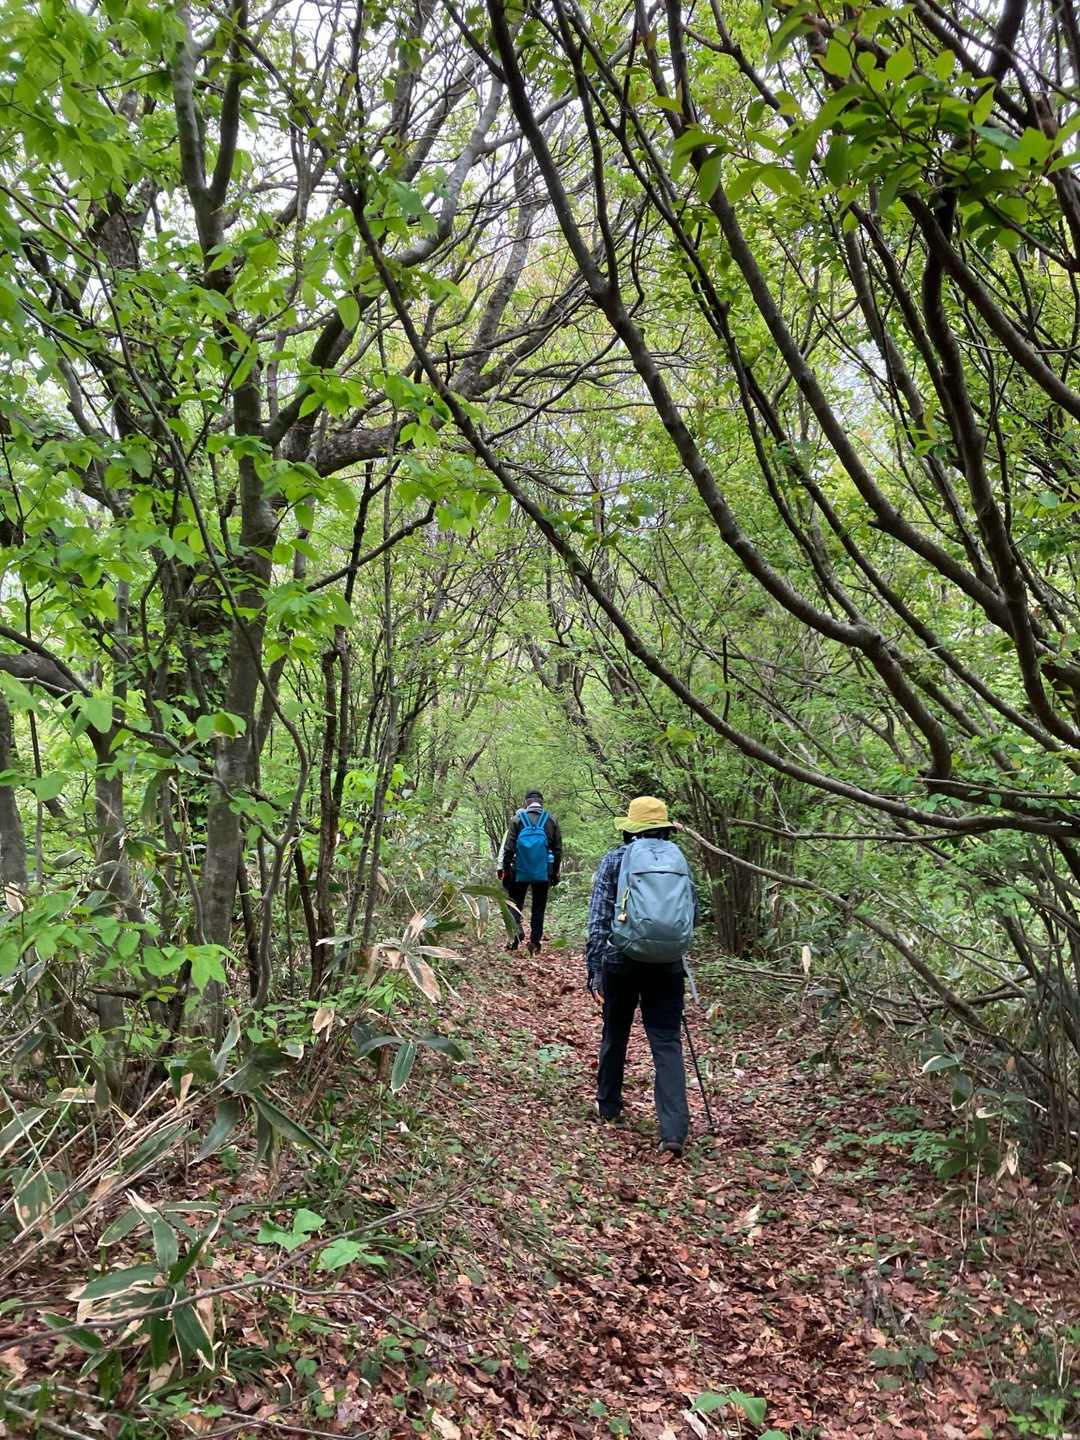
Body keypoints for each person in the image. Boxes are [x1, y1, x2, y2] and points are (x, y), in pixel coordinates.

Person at [585, 795, 696, 1158]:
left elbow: (599, 917)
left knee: (615, 1030)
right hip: (668, 963)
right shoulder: (678, 859)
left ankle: (608, 1105)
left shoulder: (615, 859)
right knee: (667, 1042)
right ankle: (673, 1131)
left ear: (631, 828)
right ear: (665, 828)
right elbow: (689, 914)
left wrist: (594, 969)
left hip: (621, 959)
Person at [497, 790, 562, 954]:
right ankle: (535, 942)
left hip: (520, 870)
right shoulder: (551, 820)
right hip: (543, 872)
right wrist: (555, 872)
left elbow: (509, 849)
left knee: (515, 904)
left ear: (526, 803)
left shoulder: (517, 819)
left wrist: (506, 870)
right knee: (538, 907)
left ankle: (514, 939)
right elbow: (557, 850)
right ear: (541, 802)